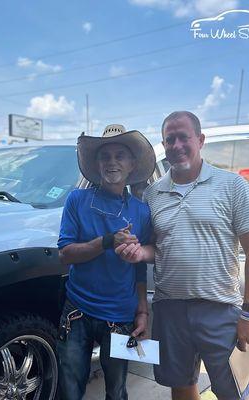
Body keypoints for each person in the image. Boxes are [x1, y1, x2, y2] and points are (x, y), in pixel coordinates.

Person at [116, 111, 249, 400]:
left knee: (232, 390)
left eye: (183, 137)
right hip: (170, 309)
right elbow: (155, 248)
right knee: (181, 383)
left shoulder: (232, 185)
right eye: (169, 139)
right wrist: (138, 253)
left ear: (200, 140)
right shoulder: (153, 195)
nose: (176, 145)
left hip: (220, 308)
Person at [57, 124, 156, 400]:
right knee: (69, 390)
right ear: (97, 163)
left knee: (117, 390)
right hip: (76, 311)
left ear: (132, 164)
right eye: (105, 156)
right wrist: (107, 241)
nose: (112, 162)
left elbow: (140, 267)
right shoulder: (76, 200)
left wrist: (143, 312)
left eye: (120, 155)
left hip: (121, 318)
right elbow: (65, 254)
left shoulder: (142, 211)